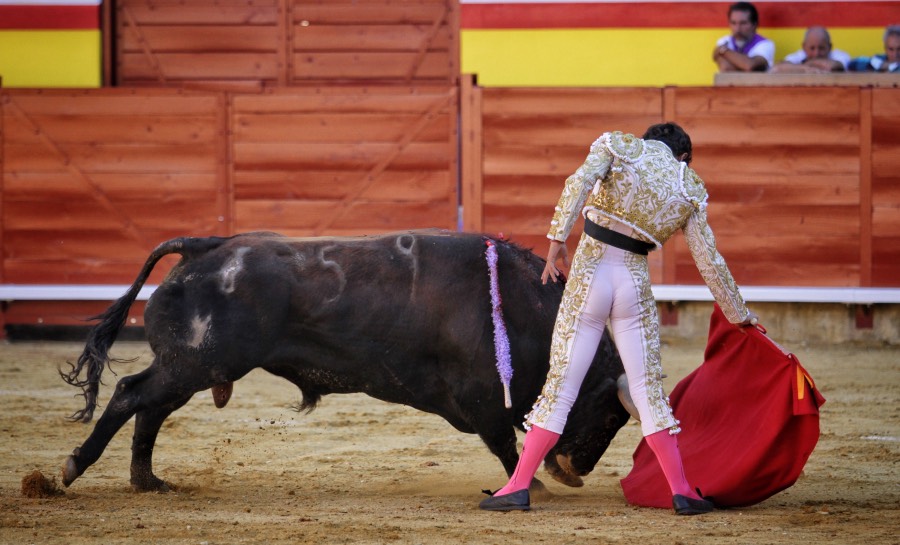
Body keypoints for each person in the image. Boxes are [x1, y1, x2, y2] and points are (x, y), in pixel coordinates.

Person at [478, 123, 759, 516]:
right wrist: (738, 314)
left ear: (648, 140)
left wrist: (557, 238)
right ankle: (682, 492)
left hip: (591, 273)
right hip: (633, 283)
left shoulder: (620, 146)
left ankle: (518, 486)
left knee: (561, 387)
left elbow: (578, 182)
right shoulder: (689, 185)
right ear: (683, 157)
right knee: (647, 390)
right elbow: (709, 260)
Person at [713, 2, 775, 72]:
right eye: (733, 23)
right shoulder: (724, 40)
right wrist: (743, 65)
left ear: (754, 24)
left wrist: (723, 50)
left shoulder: (766, 44)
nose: (737, 29)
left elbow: (750, 66)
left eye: (743, 23)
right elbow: (726, 68)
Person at [771, 26, 851, 73]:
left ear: (830, 47)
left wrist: (804, 65)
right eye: (812, 48)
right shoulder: (798, 55)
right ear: (804, 47)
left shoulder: (841, 55)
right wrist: (804, 68)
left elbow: (834, 67)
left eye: (821, 48)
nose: (816, 53)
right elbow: (777, 68)